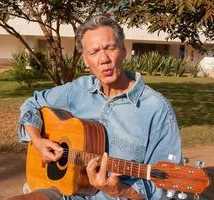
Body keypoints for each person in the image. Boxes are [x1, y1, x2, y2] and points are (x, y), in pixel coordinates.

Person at [9, 15, 181, 200]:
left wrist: (121, 190)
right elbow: (32, 104)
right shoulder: (78, 89)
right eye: (94, 52)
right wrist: (38, 140)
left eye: (110, 48)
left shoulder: (156, 107)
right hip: (63, 190)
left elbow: (165, 190)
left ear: (123, 50)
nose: (103, 59)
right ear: (85, 60)